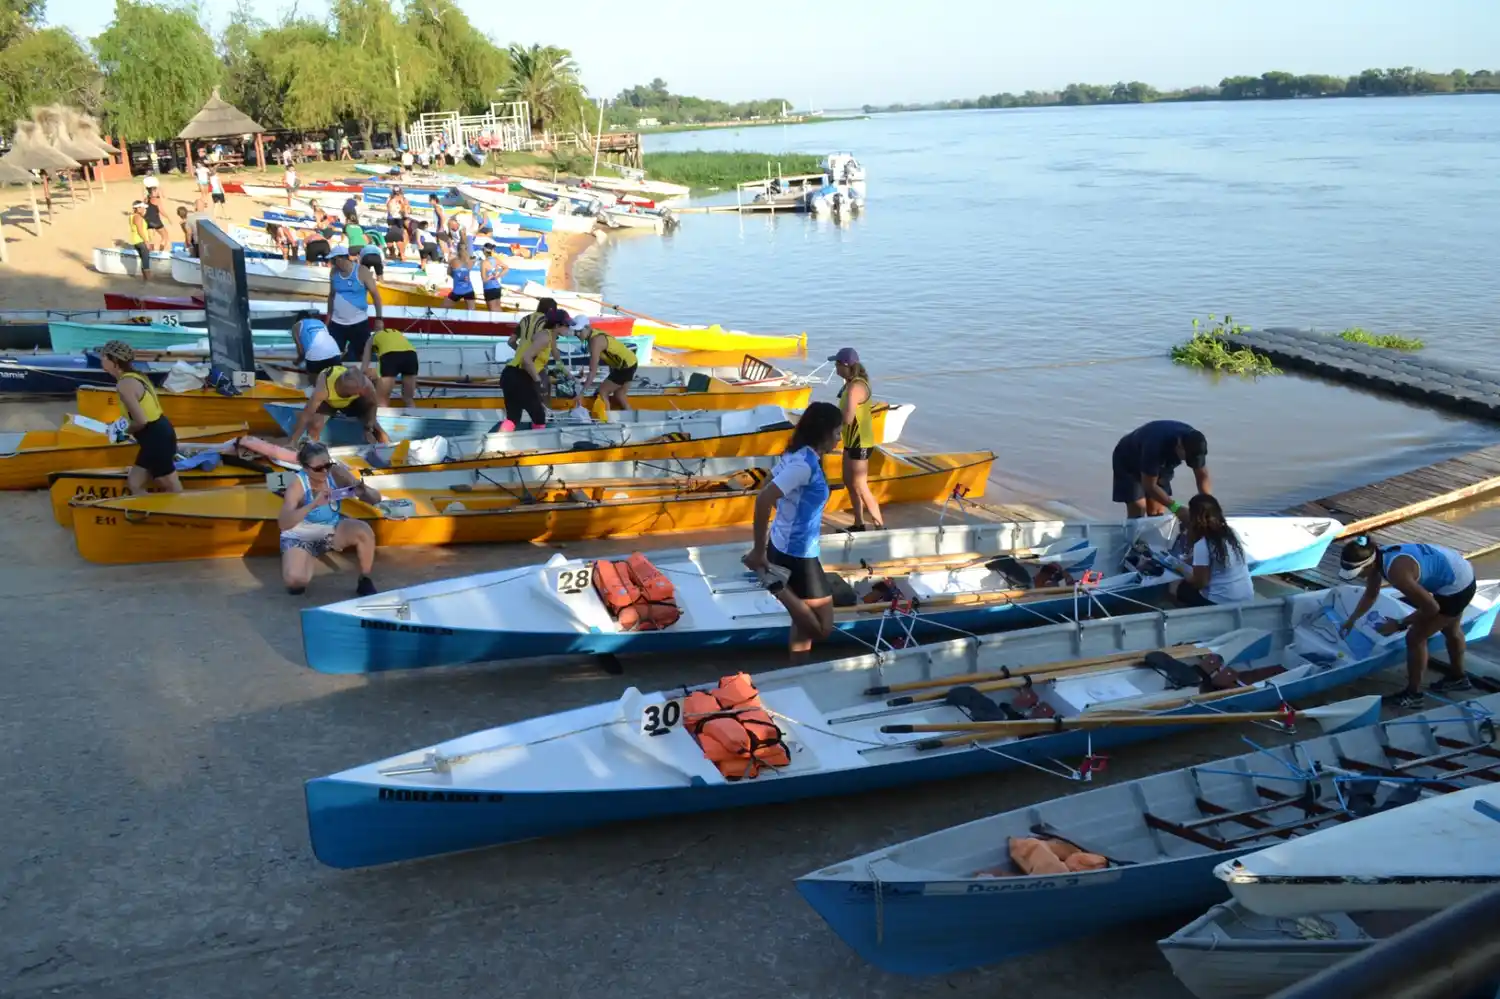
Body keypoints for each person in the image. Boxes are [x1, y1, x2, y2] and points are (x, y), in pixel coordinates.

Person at [742, 402, 844, 659]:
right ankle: (772, 581)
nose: (839, 438)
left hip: (785, 544)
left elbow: (769, 482)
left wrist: (786, 514)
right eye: (836, 432)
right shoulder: (803, 465)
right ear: (823, 432)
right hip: (798, 554)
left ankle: (798, 669)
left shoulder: (797, 455)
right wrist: (757, 551)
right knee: (822, 628)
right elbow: (764, 498)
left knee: (802, 623)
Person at [1337, 536, 1476, 708]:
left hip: (1456, 587)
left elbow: (1431, 608)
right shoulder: (1377, 556)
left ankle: (1414, 695)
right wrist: (1352, 619)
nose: (1360, 577)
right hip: (1459, 571)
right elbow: (1371, 594)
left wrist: (1399, 624)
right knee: (1451, 629)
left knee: (1415, 637)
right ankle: (1459, 678)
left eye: (1359, 573)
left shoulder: (1397, 573)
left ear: (1369, 564)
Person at [278, 440, 380, 597]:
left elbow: (376, 499)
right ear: (306, 468)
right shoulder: (297, 485)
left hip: (331, 528)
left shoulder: (336, 473)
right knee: (295, 583)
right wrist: (313, 504)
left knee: (363, 530)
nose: (325, 471)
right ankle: (307, 554)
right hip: (300, 535)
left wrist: (363, 490)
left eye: (328, 465)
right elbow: (284, 523)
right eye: (319, 469)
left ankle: (365, 578)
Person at [99, 340, 182, 496]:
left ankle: (182, 515)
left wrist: (123, 432)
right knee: (135, 483)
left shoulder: (124, 384)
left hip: (156, 439)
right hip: (159, 432)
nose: (101, 360)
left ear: (114, 361)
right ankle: (151, 513)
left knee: (171, 486)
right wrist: (118, 426)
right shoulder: (136, 375)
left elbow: (141, 421)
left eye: (103, 357)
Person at [1112, 420, 1212, 521]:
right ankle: (1134, 535)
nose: (1189, 461)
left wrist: (1208, 505)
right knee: (1138, 508)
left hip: (1163, 462)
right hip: (1128, 459)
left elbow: (1202, 476)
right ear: (1179, 446)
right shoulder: (1155, 446)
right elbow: (1149, 486)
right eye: (1188, 458)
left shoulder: (1196, 443)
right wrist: (1176, 508)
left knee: (1157, 512)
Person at [830, 346, 883, 531]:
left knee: (860, 485)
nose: (834, 367)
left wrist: (830, 425)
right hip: (850, 440)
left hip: (861, 441)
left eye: (836, 363)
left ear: (845, 365)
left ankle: (879, 525)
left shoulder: (855, 387)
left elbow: (848, 418)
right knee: (848, 481)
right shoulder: (849, 384)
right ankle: (859, 523)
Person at [1169, 494, 1252, 608]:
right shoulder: (1232, 533)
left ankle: (1188, 614)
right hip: (1246, 596)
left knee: (1174, 587)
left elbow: (1200, 582)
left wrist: (1181, 570)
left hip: (1221, 601)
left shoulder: (1202, 544)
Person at [286, 364, 389, 445]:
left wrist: (369, 424)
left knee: (376, 427)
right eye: (355, 392)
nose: (359, 393)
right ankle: (314, 449)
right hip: (329, 402)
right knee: (315, 425)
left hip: (353, 402)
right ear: (343, 387)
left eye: (360, 392)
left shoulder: (365, 385)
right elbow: (306, 414)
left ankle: (388, 447)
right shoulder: (323, 387)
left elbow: (373, 404)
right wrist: (293, 440)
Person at [500, 304, 556, 431]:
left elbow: (511, 341)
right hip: (523, 374)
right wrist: (538, 381)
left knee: (512, 417)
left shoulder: (526, 319)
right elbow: (527, 360)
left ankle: (497, 444)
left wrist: (519, 352)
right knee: (539, 416)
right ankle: (540, 444)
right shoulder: (547, 330)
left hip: (508, 372)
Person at [324, 246, 384, 361]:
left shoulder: (362, 271)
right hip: (337, 324)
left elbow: (376, 296)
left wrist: (379, 318)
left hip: (359, 324)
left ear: (340, 259)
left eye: (332, 260)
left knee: (364, 356)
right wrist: (328, 318)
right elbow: (331, 296)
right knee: (332, 355)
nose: (331, 263)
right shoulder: (333, 273)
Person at [571, 313, 637, 412]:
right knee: (619, 395)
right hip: (631, 361)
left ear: (587, 327)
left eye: (579, 331)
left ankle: (607, 421)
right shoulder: (594, 334)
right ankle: (631, 418)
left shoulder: (595, 341)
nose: (576, 334)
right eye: (575, 332)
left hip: (625, 366)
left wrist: (582, 394)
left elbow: (593, 371)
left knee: (602, 391)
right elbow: (609, 355)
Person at [360, 326, 420, 408]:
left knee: (381, 400)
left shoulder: (371, 338)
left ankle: (381, 419)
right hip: (411, 355)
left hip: (390, 355)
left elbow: (364, 366)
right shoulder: (396, 332)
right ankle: (413, 416)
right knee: (408, 398)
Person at [292, 313, 344, 378]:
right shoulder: (320, 323)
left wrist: (296, 362)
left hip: (315, 356)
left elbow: (301, 352)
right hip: (335, 353)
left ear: (297, 320)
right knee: (335, 380)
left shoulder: (296, 326)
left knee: (314, 382)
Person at [447, 240, 476, 309]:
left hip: (458, 290)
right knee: (472, 311)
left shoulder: (453, 261)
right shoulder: (471, 260)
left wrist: (457, 277)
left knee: (441, 309)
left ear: (458, 250)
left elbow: (449, 273)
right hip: (468, 289)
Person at [127, 201, 151, 283]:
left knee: (143, 260)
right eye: (142, 207)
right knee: (146, 261)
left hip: (136, 241)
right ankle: (148, 281)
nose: (144, 209)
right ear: (138, 208)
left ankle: (145, 280)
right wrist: (147, 241)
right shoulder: (138, 217)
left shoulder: (132, 216)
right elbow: (140, 230)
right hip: (141, 241)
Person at [144, 186, 167, 251]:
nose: (158, 192)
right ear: (153, 192)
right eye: (156, 191)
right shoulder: (156, 200)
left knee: (151, 240)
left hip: (147, 221)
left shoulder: (146, 200)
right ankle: (161, 251)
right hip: (156, 222)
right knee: (165, 236)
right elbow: (161, 211)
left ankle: (151, 253)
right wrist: (168, 218)